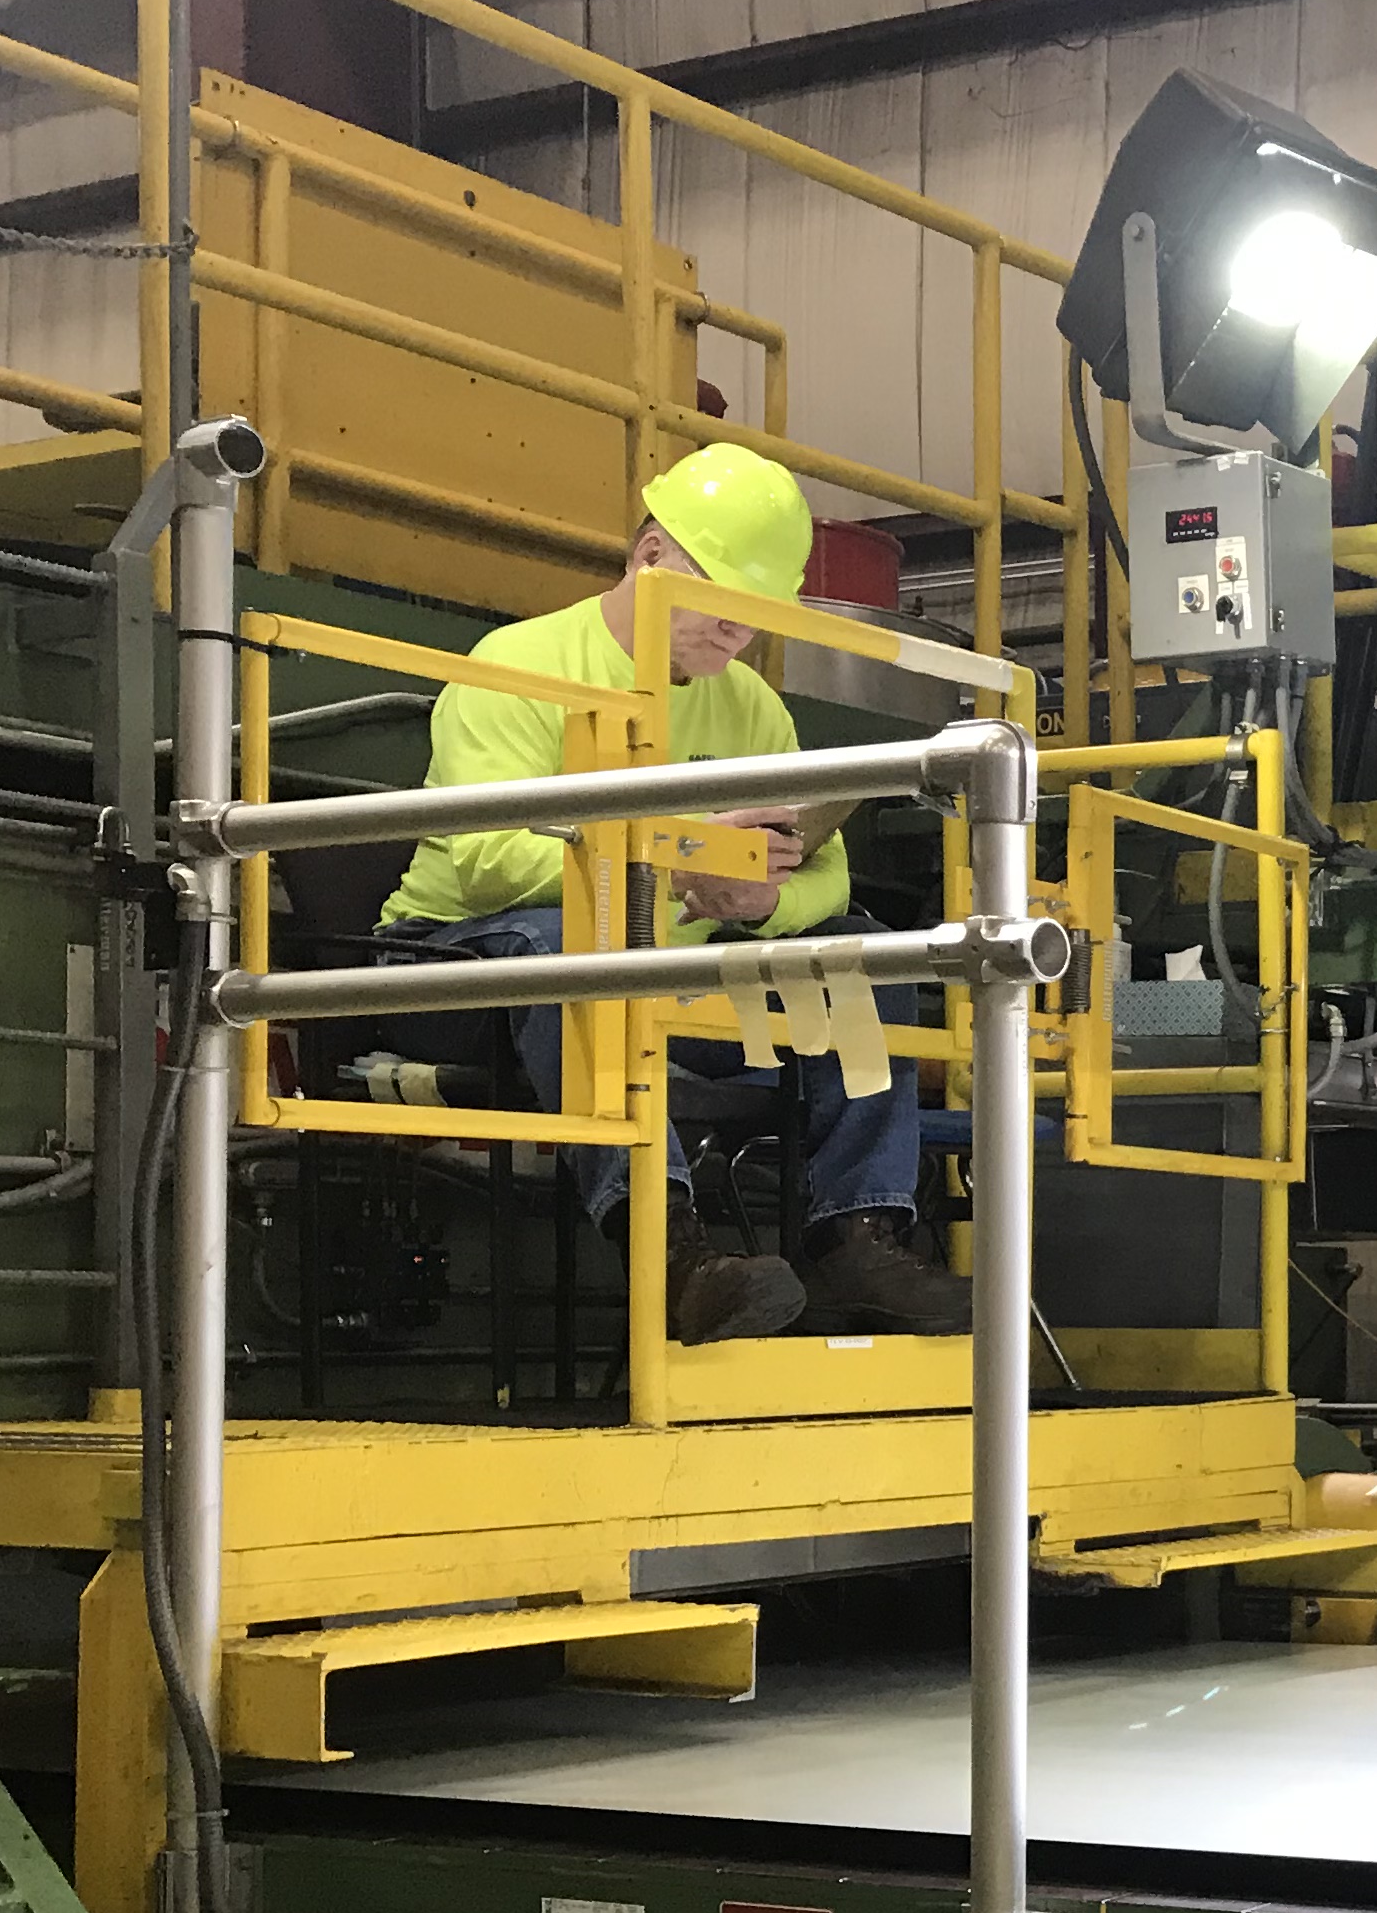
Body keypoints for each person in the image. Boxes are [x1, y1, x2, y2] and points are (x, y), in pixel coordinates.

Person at [377, 441, 973, 1344]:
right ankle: (668, 1249)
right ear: (650, 556)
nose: (738, 640)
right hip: (462, 963)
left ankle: (857, 1235)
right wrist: (672, 868)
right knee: (572, 944)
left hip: (668, 967)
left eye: (755, 621)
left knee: (861, 951)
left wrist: (762, 904)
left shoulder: (747, 706)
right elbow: (489, 865)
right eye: (723, 612)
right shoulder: (515, 665)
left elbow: (829, 869)